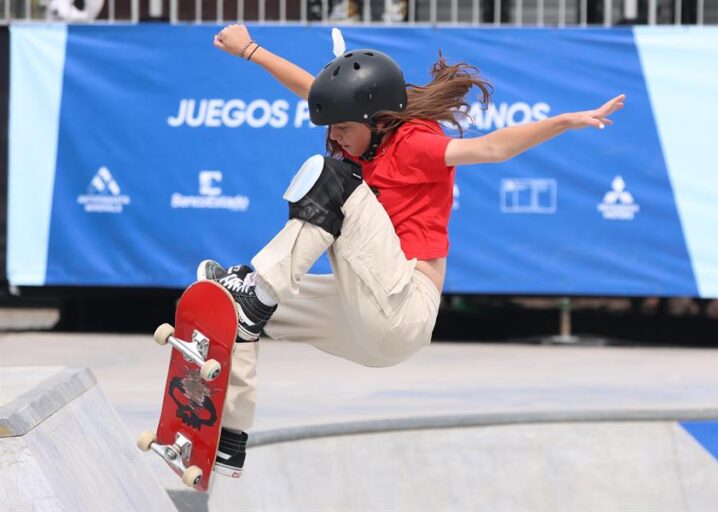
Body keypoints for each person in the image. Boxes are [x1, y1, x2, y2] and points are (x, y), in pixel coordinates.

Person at [205, 24, 625, 477]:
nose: (337, 138)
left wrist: (566, 121)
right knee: (226, 305)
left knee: (330, 179)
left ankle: (259, 289)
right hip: (362, 316)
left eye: (344, 128)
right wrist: (250, 50)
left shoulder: (416, 144)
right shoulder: (359, 129)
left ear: (376, 120)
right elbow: (309, 87)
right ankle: (229, 437)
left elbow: (490, 148)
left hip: (404, 307)